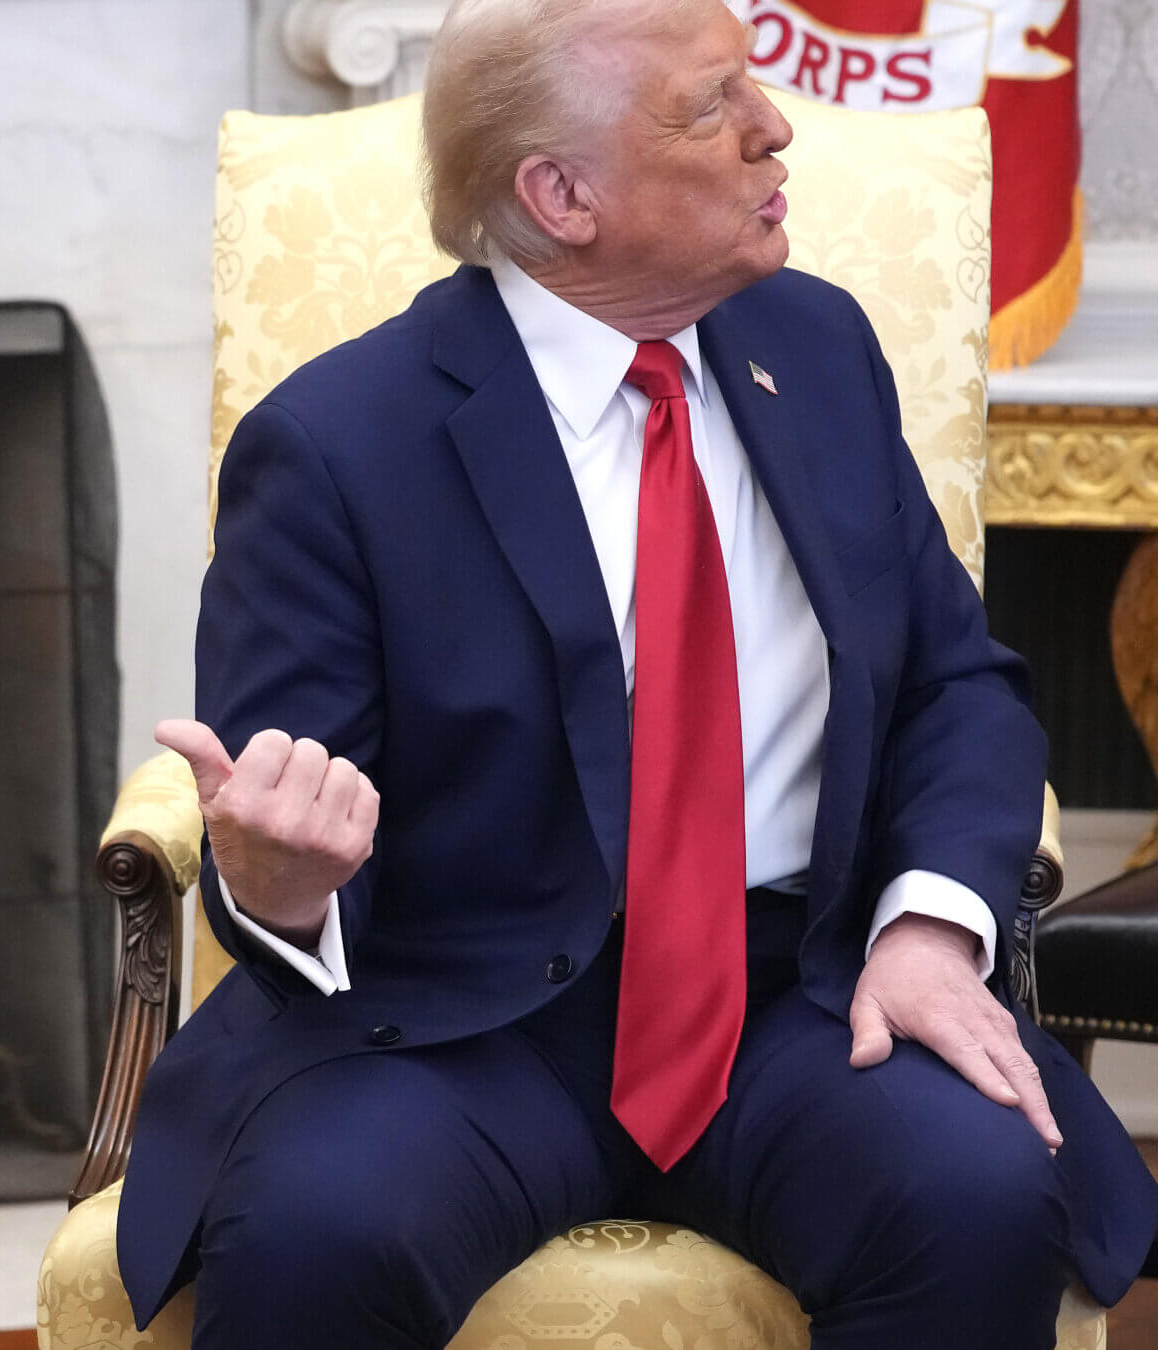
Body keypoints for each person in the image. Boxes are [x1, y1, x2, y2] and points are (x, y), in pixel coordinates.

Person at [117, 0, 1158, 1344]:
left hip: (796, 989)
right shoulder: (332, 447)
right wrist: (277, 879)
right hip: (457, 1018)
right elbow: (287, 812)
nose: (775, 130)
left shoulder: (820, 352)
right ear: (560, 194)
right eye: (712, 105)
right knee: (320, 1229)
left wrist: (927, 921)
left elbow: (958, 686)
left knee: (977, 1189)